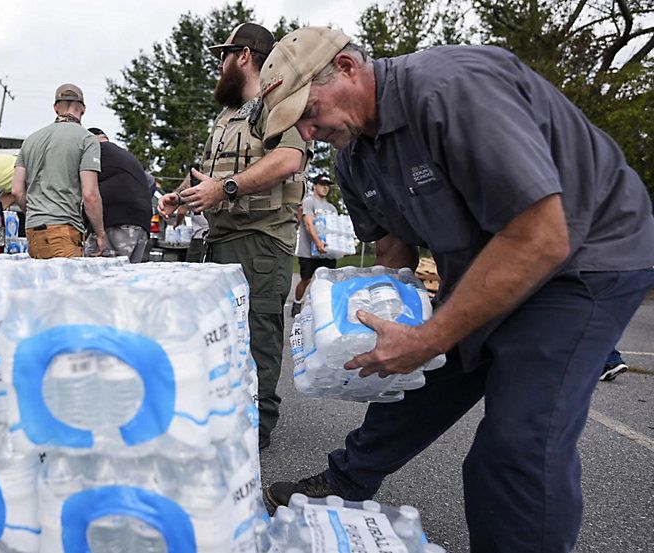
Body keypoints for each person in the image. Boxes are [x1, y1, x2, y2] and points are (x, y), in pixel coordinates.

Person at [257, 27, 654, 552]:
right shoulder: (352, 154)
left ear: (348, 68)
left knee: (518, 439)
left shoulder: (451, 91)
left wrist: (428, 338)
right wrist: (380, 329)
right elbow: (393, 250)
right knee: (422, 379)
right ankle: (348, 483)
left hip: (583, 259)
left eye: (308, 112)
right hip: (490, 259)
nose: (307, 132)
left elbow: (540, 236)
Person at [157, 22, 312, 450]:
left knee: (258, 335)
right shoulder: (227, 117)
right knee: (223, 334)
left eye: (223, 56)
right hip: (222, 243)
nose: (220, 65)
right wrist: (184, 198)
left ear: (243, 56)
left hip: (262, 242)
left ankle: (257, 427)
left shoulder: (277, 103)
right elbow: (213, 179)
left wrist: (224, 188)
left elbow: (289, 158)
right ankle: (224, 411)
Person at [10, 84, 105, 259]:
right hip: (64, 229)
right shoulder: (87, 139)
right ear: (83, 109)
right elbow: (90, 194)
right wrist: (100, 234)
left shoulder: (30, 140)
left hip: (33, 232)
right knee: (66, 286)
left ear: (55, 108)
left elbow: (16, 191)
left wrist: (35, 213)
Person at [83, 128, 152, 262]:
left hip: (115, 223)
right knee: (125, 277)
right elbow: (151, 181)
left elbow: (89, 194)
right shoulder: (124, 155)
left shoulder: (95, 151)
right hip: (141, 224)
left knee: (99, 276)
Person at [292, 173, 338, 316]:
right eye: (322, 184)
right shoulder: (309, 202)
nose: (325, 188)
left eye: (327, 185)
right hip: (308, 252)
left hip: (326, 252)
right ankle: (297, 302)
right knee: (306, 280)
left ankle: (323, 308)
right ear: (314, 186)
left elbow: (334, 230)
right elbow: (308, 223)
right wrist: (317, 242)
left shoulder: (332, 208)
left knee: (327, 281)